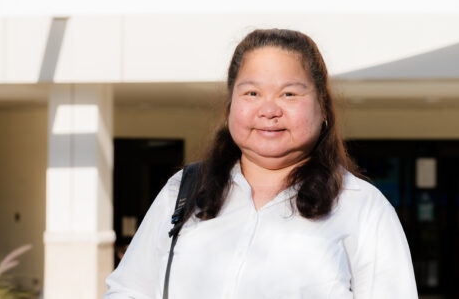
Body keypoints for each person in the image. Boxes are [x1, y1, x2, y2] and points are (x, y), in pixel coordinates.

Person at [104, 29, 418, 298]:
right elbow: (129, 290)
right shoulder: (184, 190)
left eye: (289, 94)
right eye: (252, 93)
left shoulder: (361, 207)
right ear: (230, 106)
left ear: (323, 108)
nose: (268, 110)